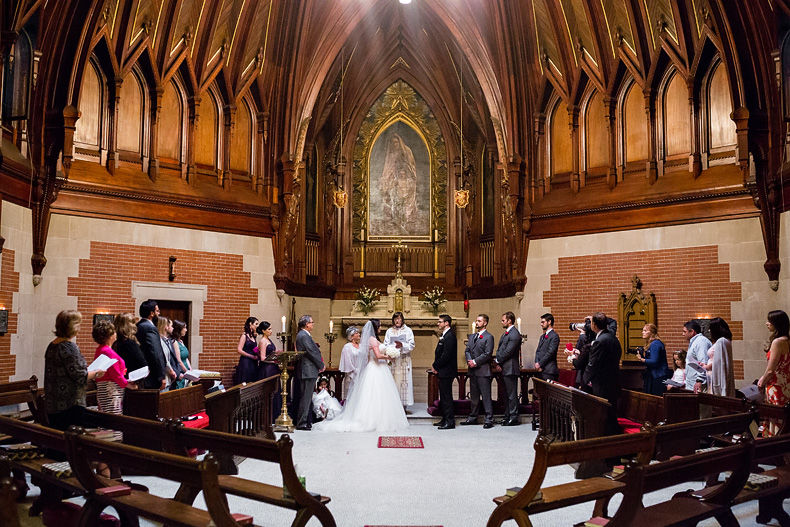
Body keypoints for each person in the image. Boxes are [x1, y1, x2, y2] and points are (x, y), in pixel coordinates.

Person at [313, 319, 408, 432]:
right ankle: (373, 420)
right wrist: (389, 357)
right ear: (375, 327)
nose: (381, 328)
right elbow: (377, 355)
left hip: (377, 367)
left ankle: (378, 418)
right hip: (376, 368)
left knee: (378, 394)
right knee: (376, 394)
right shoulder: (372, 339)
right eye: (380, 326)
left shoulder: (371, 340)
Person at [44, 310, 105, 430]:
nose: (79, 329)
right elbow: (79, 375)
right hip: (69, 404)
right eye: (78, 325)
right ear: (72, 326)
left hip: (53, 403)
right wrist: (97, 373)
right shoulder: (69, 348)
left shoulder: (52, 345)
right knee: (71, 440)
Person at [92, 319, 136, 469]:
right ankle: (107, 465)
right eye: (114, 331)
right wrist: (128, 384)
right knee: (112, 425)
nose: (116, 333)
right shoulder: (107, 351)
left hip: (109, 388)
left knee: (109, 423)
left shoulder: (102, 349)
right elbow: (115, 375)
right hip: (111, 390)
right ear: (110, 335)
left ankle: (108, 464)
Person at [582, 312, 621, 436]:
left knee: (604, 419)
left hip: (602, 385)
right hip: (613, 382)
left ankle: (607, 448)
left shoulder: (600, 341)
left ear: (593, 324)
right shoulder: (613, 338)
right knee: (611, 416)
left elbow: (593, 365)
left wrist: (584, 380)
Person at [758, 310, 790, 435]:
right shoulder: (788, 340)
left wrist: (761, 381)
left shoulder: (777, 342)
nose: (767, 323)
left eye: (769, 321)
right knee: (786, 418)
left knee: (775, 418)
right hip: (786, 383)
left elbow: (771, 370)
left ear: (777, 323)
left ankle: (774, 446)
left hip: (776, 386)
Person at [461, 314, 495, 429]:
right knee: (474, 396)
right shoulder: (472, 336)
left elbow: (487, 353)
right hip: (473, 371)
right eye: (476, 321)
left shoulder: (488, 337)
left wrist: (475, 361)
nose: (477, 323)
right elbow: (467, 350)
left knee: (486, 396)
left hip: (483, 370)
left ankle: (489, 418)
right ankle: (473, 417)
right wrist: (469, 360)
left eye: (479, 321)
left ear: (485, 323)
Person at [295, 315, 325, 431]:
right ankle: (302, 422)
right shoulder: (303, 335)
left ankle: (307, 420)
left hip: (308, 369)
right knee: (306, 397)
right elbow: (311, 351)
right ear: (306, 324)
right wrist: (320, 364)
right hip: (307, 369)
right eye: (312, 322)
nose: (313, 324)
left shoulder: (303, 335)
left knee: (307, 396)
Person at [494, 311, 521, 426]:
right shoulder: (506, 333)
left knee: (511, 394)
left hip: (511, 367)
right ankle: (507, 415)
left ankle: (514, 416)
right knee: (505, 394)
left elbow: (508, 351)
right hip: (504, 367)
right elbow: (501, 349)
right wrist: (498, 361)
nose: (502, 322)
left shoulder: (514, 334)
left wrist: (497, 360)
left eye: (503, 320)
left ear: (509, 320)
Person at [383, 311, 415, 408]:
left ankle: (404, 406)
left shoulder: (408, 330)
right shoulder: (389, 331)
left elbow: (412, 344)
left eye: (399, 319)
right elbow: (385, 344)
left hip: (403, 360)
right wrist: (392, 348)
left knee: (404, 382)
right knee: (393, 381)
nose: (397, 321)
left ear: (402, 320)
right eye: (395, 319)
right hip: (393, 360)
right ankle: (393, 406)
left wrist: (402, 345)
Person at [432, 314, 457, 429]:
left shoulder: (450, 336)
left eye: (440, 322)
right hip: (443, 370)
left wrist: (435, 365)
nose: (438, 324)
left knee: (447, 396)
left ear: (446, 323)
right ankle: (444, 418)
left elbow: (446, 355)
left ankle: (449, 421)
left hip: (447, 370)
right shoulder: (445, 335)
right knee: (444, 396)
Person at [136, 300, 167, 390]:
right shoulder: (150, 328)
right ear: (151, 313)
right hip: (151, 377)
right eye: (157, 311)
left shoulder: (138, 326)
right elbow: (155, 353)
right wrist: (161, 376)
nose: (159, 313)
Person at [638, 324, 671, 396]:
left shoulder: (655, 344)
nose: (642, 332)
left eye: (645, 331)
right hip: (655, 375)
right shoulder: (653, 343)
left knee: (655, 397)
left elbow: (654, 361)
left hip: (658, 376)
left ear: (652, 333)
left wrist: (642, 359)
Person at [706, 317, 735, 397]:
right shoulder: (726, 340)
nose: (709, 331)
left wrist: (707, 366)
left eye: (710, 328)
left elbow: (719, 365)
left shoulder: (721, 342)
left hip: (716, 379)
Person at [683, 320, 712, 393]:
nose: (683, 334)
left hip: (699, 385)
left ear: (692, 332)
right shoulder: (694, 342)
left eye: (684, 331)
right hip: (692, 383)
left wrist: (699, 380)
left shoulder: (701, 342)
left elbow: (703, 361)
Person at [339, 326, 363, 398]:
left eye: (358, 333)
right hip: (351, 374)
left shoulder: (361, 346)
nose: (359, 334)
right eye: (356, 333)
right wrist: (354, 371)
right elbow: (347, 361)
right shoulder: (347, 347)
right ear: (351, 336)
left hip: (361, 373)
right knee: (350, 394)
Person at [534, 313, 559, 381]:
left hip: (549, 370)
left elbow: (550, 352)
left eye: (543, 322)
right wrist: (536, 362)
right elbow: (538, 351)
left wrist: (540, 364)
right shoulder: (542, 337)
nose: (541, 324)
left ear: (549, 322)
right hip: (540, 370)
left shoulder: (554, 336)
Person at [157, 317, 180, 390]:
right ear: (165, 327)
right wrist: (171, 371)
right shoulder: (159, 340)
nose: (172, 328)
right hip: (164, 377)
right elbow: (164, 358)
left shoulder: (167, 340)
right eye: (170, 326)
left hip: (168, 378)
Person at [236, 317, 259, 384]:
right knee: (246, 379)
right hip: (246, 361)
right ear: (250, 324)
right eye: (256, 324)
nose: (257, 326)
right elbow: (239, 350)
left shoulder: (253, 336)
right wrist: (251, 356)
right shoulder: (244, 336)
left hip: (253, 362)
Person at [171, 320, 191, 389]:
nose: (186, 330)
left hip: (186, 371)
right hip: (181, 372)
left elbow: (185, 358)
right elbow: (179, 360)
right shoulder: (175, 342)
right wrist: (187, 372)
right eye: (184, 328)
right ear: (179, 329)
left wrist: (190, 370)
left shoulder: (181, 341)